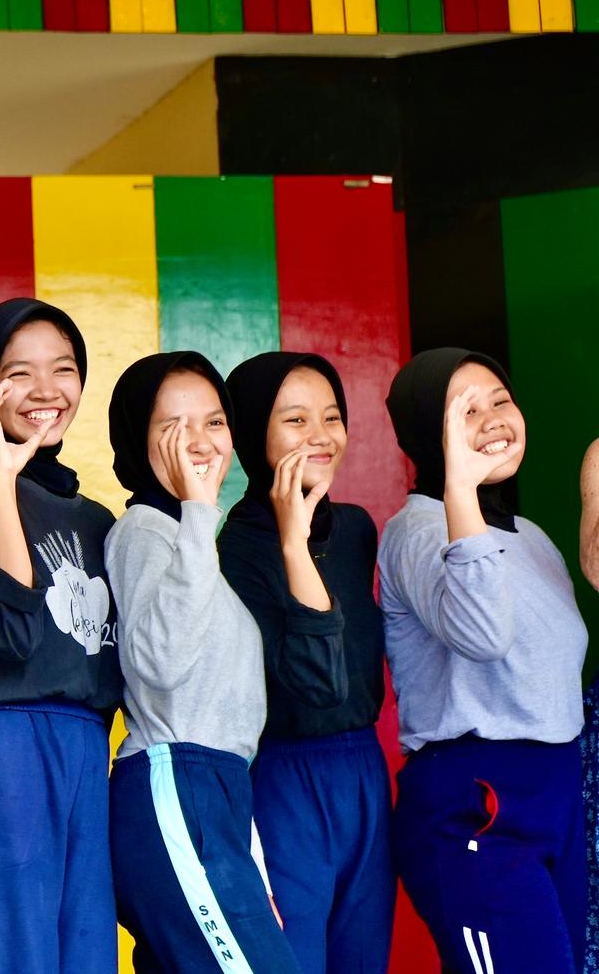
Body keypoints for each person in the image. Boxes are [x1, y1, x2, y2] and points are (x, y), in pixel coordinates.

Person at [382, 348, 587, 974]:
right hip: (478, 799)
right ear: (429, 431)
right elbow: (483, 635)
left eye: (501, 400)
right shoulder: (418, 530)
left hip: (555, 795)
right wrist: (459, 488)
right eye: (466, 411)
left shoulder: (532, 537)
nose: (494, 418)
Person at [0, 298, 121, 973]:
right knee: (14, 955)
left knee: (89, 957)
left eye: (63, 369)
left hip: (86, 748)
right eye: (19, 373)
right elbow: (8, 635)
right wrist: (2, 480)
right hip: (3, 745)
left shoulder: (100, 521)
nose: (46, 390)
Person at [105, 350, 299, 974]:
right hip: (174, 783)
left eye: (214, 422)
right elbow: (160, 664)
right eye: (173, 425)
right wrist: (196, 509)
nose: (199, 440)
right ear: (138, 440)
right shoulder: (144, 531)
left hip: (215, 791)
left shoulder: (191, 540)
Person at [219, 352, 391, 974]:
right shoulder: (233, 551)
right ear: (253, 432)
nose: (321, 435)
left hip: (364, 772)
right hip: (282, 780)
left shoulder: (356, 531)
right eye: (295, 420)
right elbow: (313, 685)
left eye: (332, 417)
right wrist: (292, 541)